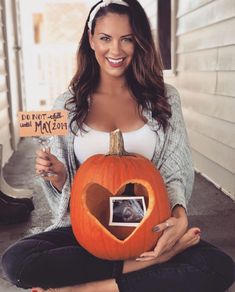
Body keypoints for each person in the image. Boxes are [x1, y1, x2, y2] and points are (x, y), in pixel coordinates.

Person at [2, 0, 234, 291]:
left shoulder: (164, 98)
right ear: (90, 39)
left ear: (139, 41)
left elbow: (176, 171)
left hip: (148, 229)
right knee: (17, 262)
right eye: (105, 38)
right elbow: (68, 198)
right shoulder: (68, 104)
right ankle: (152, 264)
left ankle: (92, 288)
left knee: (218, 268)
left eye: (127, 39)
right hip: (90, 229)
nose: (116, 50)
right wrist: (59, 176)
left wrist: (178, 217)